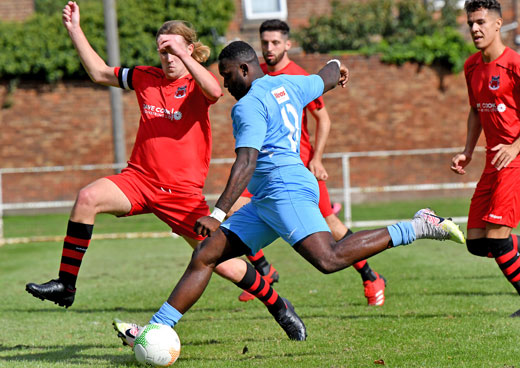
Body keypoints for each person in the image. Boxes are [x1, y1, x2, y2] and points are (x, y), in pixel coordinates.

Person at [114, 40, 465, 343]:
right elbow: (326, 75)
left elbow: (246, 162)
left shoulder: (247, 106)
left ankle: (418, 226)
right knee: (206, 255)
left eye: (227, 74)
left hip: (284, 190)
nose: (225, 83)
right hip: (269, 197)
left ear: (245, 68)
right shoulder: (289, 85)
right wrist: (338, 67)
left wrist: (217, 213)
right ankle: (157, 328)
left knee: (328, 259)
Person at [25, 2, 304, 341]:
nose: (167, 58)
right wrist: (75, 30)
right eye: (162, 51)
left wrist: (185, 58)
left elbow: (216, 91)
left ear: (189, 50)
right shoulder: (145, 77)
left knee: (224, 263)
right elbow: (99, 72)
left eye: (173, 50)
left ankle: (278, 305)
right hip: (138, 181)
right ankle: (66, 285)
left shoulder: (199, 84)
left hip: (182, 194)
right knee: (87, 198)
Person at [231, 19, 387, 306]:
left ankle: (370, 275)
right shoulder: (258, 76)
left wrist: (316, 157)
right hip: (265, 169)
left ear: (288, 44)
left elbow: (323, 119)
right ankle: (265, 270)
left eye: (275, 42)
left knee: (331, 224)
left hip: (298, 168)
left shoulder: (296, 75)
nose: (269, 48)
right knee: (235, 209)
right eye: (264, 42)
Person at [451, 0, 520, 317]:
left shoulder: (515, 65)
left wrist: (514, 147)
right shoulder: (471, 66)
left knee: (497, 235)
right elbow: (476, 110)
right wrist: (467, 150)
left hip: (516, 159)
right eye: (470, 24)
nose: (475, 29)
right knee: (478, 242)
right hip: (493, 162)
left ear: (497, 24)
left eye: (480, 22)